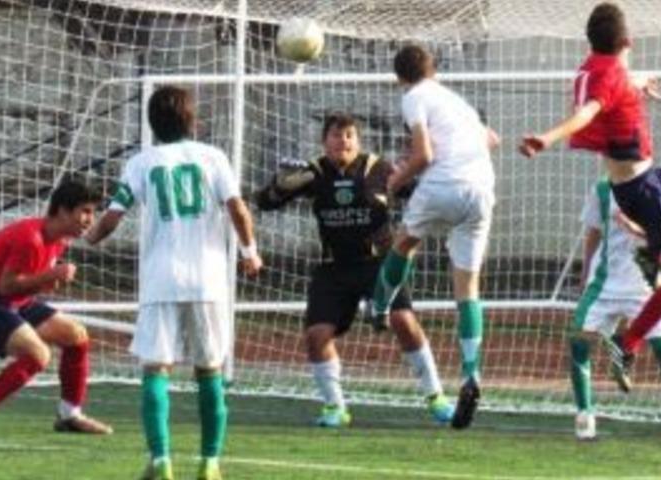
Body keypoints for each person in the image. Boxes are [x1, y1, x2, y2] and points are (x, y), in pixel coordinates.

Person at [518, 2, 661, 391]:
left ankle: (650, 249)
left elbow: (617, 83)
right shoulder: (608, 78)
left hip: (651, 178)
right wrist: (546, 138)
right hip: (642, 191)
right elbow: (587, 113)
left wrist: (640, 82)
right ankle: (627, 344)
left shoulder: (600, 67)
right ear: (628, 40)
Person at [86, 85, 262, 480]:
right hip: (208, 281)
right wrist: (250, 252)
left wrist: (87, 238)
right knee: (210, 370)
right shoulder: (213, 157)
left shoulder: (141, 163)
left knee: (155, 368)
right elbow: (236, 207)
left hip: (160, 280)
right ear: (193, 120)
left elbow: (113, 216)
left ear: (151, 123)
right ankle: (210, 462)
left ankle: (161, 459)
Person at [255, 112, 454, 428]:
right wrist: (278, 186)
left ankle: (437, 397)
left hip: (378, 265)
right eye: (336, 135)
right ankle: (335, 407)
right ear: (325, 141)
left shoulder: (379, 169)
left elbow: (420, 194)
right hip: (334, 269)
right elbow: (264, 202)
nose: (343, 141)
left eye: (349, 135)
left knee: (403, 320)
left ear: (358, 141)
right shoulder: (313, 173)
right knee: (316, 334)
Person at [371, 45, 500, 430]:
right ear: (435, 71)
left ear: (399, 77)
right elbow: (491, 138)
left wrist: (396, 180)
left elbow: (424, 154)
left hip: (444, 183)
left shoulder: (413, 96)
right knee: (468, 288)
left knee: (405, 242)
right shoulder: (455, 101)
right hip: (481, 189)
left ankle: (378, 307)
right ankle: (472, 373)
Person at [0, 179, 112, 436]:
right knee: (38, 354)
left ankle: (70, 415)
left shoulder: (58, 238)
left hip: (12, 302)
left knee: (76, 335)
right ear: (62, 211)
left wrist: (46, 280)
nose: (90, 219)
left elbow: (23, 285)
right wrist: (51, 276)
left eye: (93, 213)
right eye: (85, 211)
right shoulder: (31, 238)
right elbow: (7, 287)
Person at [570, 179, 661, 440]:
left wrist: (634, 227)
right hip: (604, 282)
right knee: (579, 343)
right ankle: (584, 413)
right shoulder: (600, 190)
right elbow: (593, 232)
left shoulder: (657, 191)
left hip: (643, 283)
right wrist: (585, 269)